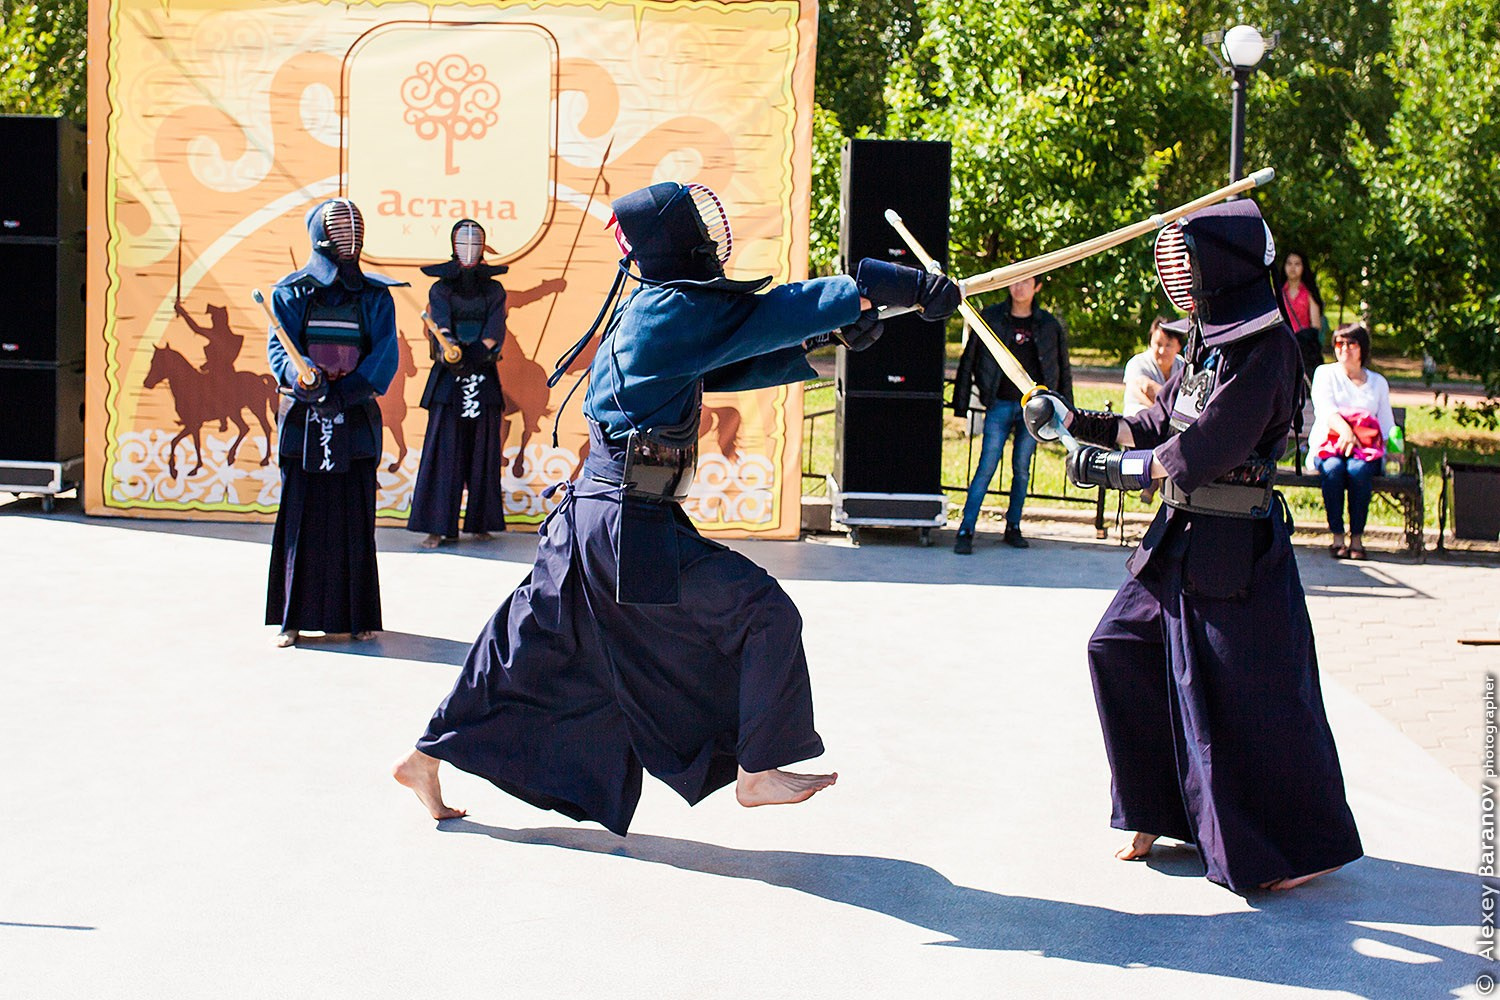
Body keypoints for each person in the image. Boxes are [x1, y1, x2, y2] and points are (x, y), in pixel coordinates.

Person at [393, 181, 960, 831]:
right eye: (698, 224)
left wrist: (824, 340)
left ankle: (422, 759)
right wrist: (879, 288)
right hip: (622, 520)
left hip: (598, 514)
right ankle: (758, 769)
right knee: (760, 611)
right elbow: (766, 314)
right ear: (677, 239)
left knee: (523, 647)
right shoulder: (669, 308)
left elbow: (727, 359)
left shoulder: (661, 308)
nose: (712, 235)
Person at [1024, 199, 1363, 892]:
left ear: (1225, 267)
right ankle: (1160, 808)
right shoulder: (1207, 339)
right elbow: (1161, 419)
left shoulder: (1267, 351)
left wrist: (1113, 472)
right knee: (1117, 646)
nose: (1178, 278)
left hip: (1234, 552)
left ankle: (1291, 849)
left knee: (1248, 703)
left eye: (1190, 263)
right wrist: (1079, 422)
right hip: (1178, 538)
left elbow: (1203, 448)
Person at [266, 198, 404, 648]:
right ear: (319, 235)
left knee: (356, 515)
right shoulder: (290, 291)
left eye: (353, 229)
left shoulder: (376, 295)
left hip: (356, 413)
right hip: (304, 417)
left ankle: (359, 615)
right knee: (299, 516)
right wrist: (303, 377)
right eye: (339, 229)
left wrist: (347, 391)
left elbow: (384, 352)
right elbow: (279, 350)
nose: (348, 237)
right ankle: (292, 619)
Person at [407, 219, 510, 549]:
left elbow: (496, 326)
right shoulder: (441, 289)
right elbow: (441, 323)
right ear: (453, 246)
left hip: (483, 371)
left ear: (483, 248)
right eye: (463, 243)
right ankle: (438, 526)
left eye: (474, 243)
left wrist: (480, 350)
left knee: (484, 452)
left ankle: (482, 522)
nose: (468, 249)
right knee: (443, 452)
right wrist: (452, 348)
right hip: (449, 375)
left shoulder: (494, 289)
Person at [951, 276, 1071, 553]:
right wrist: (961, 400)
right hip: (999, 404)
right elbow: (970, 357)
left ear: (1037, 286)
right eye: (1014, 281)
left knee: (1022, 469)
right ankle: (966, 528)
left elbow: (1062, 367)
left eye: (1026, 282)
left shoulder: (1048, 324)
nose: (1019, 287)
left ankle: (1013, 526)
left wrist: (1065, 410)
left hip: (1034, 410)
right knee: (986, 466)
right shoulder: (991, 317)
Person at [1309, 322, 1394, 560]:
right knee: (1333, 470)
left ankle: (1357, 537)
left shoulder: (1377, 382)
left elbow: (1386, 423)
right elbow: (1325, 411)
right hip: (1330, 446)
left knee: (1359, 472)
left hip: (1365, 451)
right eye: (1339, 343)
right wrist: (1346, 432)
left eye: (1351, 343)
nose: (1344, 348)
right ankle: (1337, 536)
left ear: (1362, 348)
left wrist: (1396, 450)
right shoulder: (1324, 374)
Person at [1122, 316, 1187, 416]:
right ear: (1150, 343)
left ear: (1178, 346)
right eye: (1158, 344)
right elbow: (1142, 389)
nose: (1162, 351)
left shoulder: (1182, 365)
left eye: (1168, 345)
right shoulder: (1137, 363)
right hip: (1140, 420)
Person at [1276, 250, 1325, 381]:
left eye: (1297, 264)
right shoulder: (1278, 294)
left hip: (1303, 350)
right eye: (1289, 263)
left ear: (1304, 267)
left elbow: (1316, 325)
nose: (1292, 268)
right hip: (1282, 347)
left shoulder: (1309, 293)